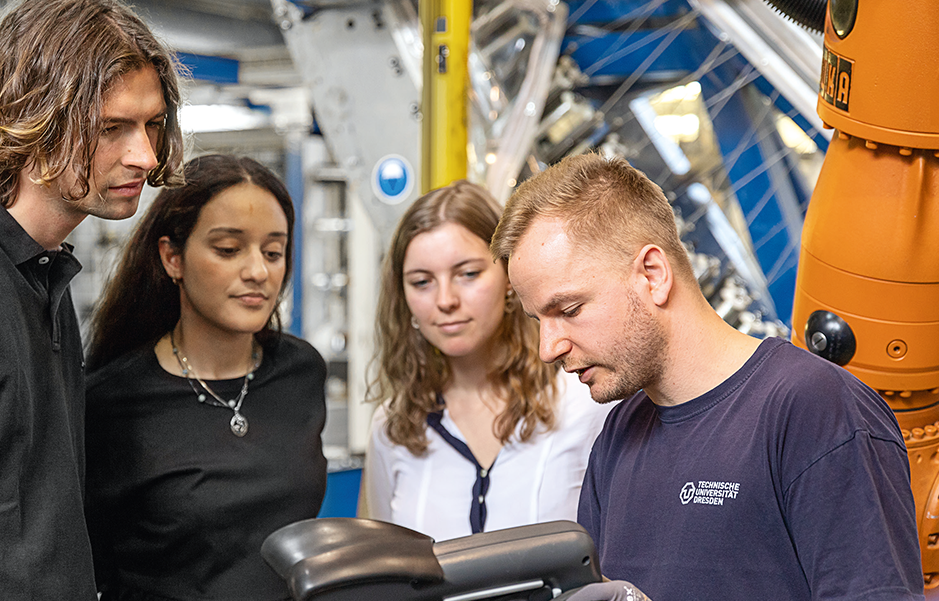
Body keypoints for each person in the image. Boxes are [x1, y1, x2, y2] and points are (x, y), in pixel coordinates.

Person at [491, 152, 925, 601]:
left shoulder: (813, 409)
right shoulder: (620, 432)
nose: (548, 348)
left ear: (653, 275)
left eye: (569, 310)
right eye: (537, 319)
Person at [0, 0, 183, 597]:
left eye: (152, 124)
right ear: (35, 116)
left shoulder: (46, 282)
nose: (146, 156)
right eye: (112, 128)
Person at [84, 154, 328, 600]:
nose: (258, 272)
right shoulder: (109, 402)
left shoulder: (301, 373)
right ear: (172, 257)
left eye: (273, 252)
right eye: (229, 249)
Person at [362, 179, 613, 542]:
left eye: (467, 274)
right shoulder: (395, 425)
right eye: (422, 282)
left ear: (509, 275)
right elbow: (385, 570)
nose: (445, 299)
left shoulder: (583, 402)